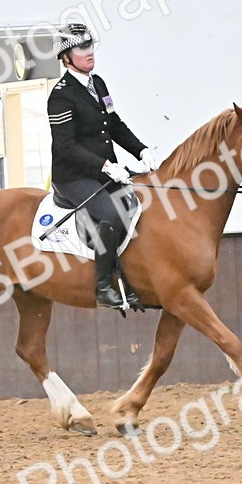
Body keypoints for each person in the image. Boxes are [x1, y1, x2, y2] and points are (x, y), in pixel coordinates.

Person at [47, 23, 158, 309]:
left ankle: (128, 278)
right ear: (66, 57)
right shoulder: (60, 96)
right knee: (111, 213)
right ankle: (103, 285)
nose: (89, 52)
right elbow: (66, 147)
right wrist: (107, 167)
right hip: (73, 177)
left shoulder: (98, 84)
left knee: (138, 206)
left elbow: (114, 125)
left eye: (90, 46)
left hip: (103, 171)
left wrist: (140, 150)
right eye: (81, 48)